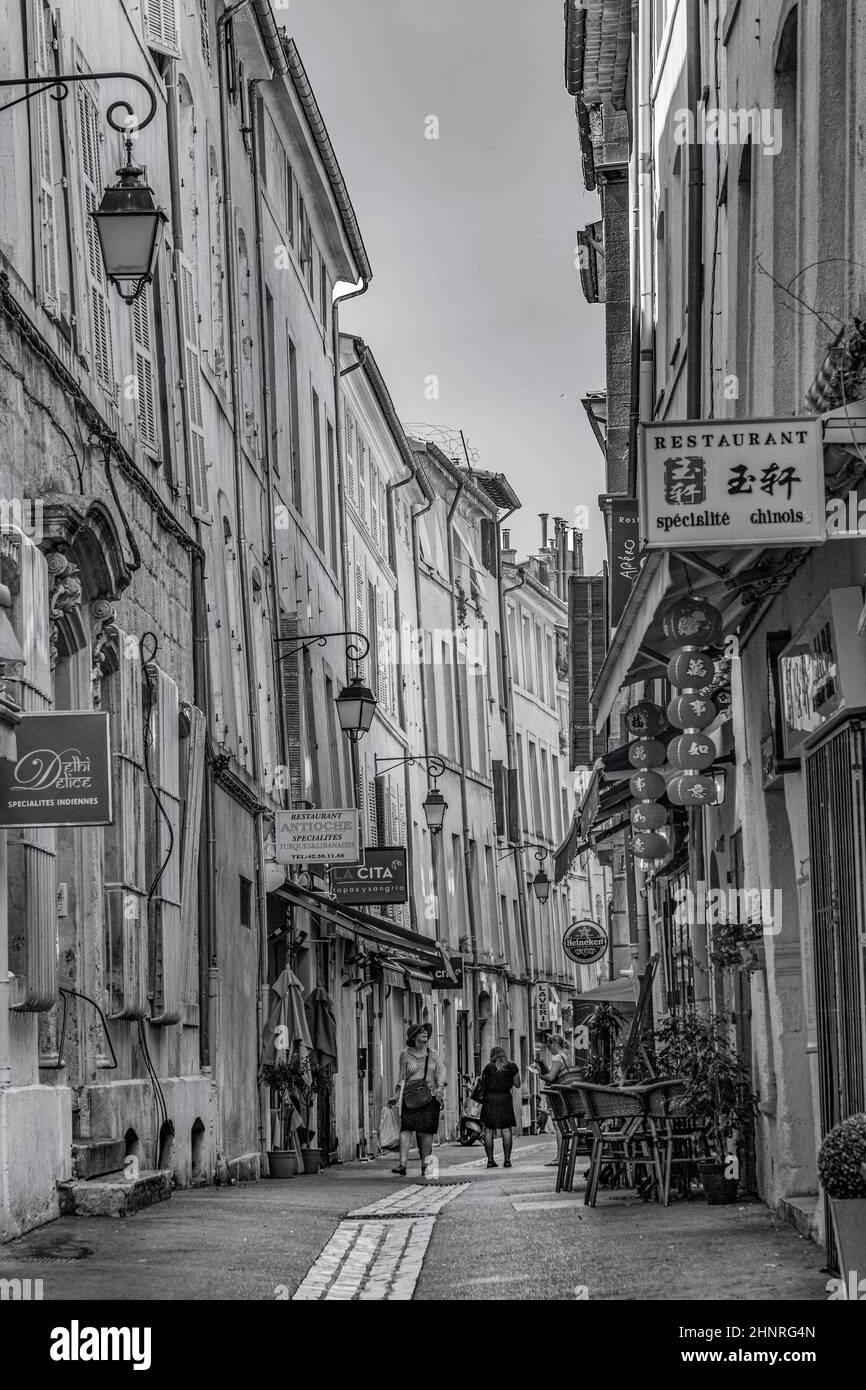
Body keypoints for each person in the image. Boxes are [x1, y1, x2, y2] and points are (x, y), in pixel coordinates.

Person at [392, 1022, 446, 1178]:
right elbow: (401, 1076)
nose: (424, 1033)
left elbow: (441, 1073)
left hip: (430, 1097)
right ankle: (402, 1164)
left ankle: (425, 1164)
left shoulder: (434, 1054)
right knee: (406, 1129)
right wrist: (396, 1096)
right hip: (410, 1097)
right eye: (421, 1031)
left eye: (425, 1031)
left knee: (426, 1132)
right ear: (414, 1036)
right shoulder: (405, 1054)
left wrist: (440, 1089)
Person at [475, 1046, 521, 1169]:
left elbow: (482, 1084)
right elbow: (517, 1084)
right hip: (505, 1099)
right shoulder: (512, 1067)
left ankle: (490, 1160)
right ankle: (507, 1160)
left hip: (489, 1099)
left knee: (488, 1130)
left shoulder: (488, 1067)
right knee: (506, 1130)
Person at [531, 1034, 572, 1167]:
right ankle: (560, 1156)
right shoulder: (566, 1057)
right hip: (564, 1094)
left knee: (558, 1126)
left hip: (557, 1095)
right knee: (561, 1125)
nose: (550, 1051)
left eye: (550, 1048)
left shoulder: (557, 1057)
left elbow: (551, 1076)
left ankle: (560, 1157)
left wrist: (538, 1072)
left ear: (554, 1045)